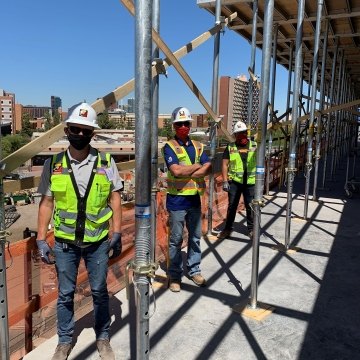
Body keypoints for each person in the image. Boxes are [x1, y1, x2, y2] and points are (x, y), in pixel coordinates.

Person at [36, 102, 123, 360]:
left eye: (87, 131)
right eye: (76, 129)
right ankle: (64, 341)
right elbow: (47, 203)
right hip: (65, 242)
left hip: (97, 242)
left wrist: (117, 233)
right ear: (67, 129)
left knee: (98, 291)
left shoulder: (106, 162)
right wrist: (41, 238)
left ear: (93, 134)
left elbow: (115, 198)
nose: (81, 135)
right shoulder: (54, 165)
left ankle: (103, 337)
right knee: (65, 293)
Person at [162, 106, 212, 292]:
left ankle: (194, 270)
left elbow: (208, 167)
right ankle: (174, 275)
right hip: (176, 201)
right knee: (175, 239)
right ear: (174, 126)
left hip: (195, 200)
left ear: (190, 125)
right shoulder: (169, 147)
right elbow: (176, 170)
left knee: (195, 238)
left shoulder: (198, 146)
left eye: (186, 123)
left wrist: (190, 169)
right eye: (179, 124)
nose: (183, 126)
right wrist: (197, 166)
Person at [218, 120, 256, 240]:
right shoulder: (230, 147)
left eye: (243, 132)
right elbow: (224, 164)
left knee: (251, 206)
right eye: (238, 133)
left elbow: (261, 163)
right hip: (234, 182)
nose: (241, 135)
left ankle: (252, 229)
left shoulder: (254, 146)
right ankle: (227, 229)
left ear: (246, 132)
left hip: (250, 182)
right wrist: (225, 181)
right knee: (232, 206)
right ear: (235, 135)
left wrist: (261, 180)